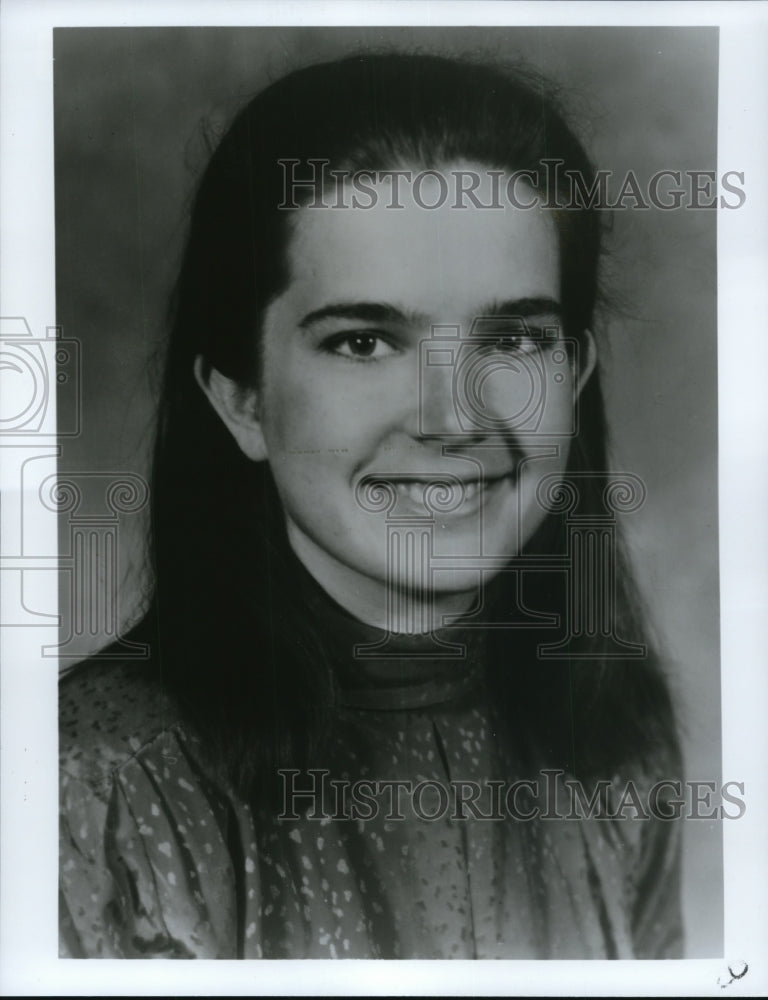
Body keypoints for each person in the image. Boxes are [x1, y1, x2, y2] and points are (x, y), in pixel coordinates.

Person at [59, 52, 684, 959]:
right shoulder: (89, 788)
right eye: (363, 342)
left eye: (511, 338)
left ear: (575, 378)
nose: (452, 418)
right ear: (241, 399)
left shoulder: (620, 755)